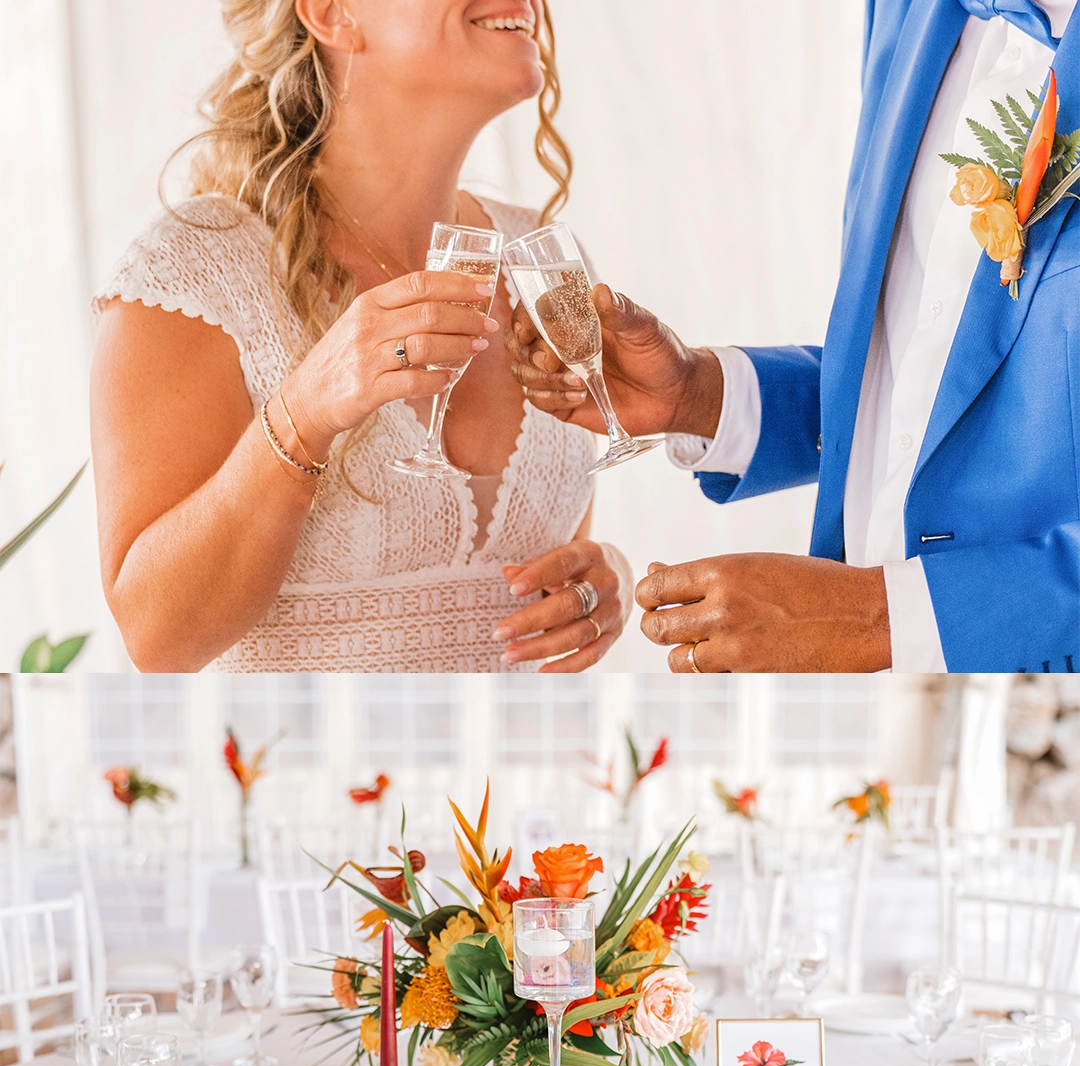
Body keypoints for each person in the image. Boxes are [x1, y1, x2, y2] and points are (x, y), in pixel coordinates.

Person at [509, 0, 1080, 674]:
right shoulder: (904, 14)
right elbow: (921, 371)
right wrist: (702, 396)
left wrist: (877, 618)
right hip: (870, 713)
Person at [91, 0, 631, 672]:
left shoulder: (540, 257)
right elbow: (158, 639)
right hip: (297, 746)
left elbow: (551, 558)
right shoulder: (190, 271)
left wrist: (603, 578)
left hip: (525, 745)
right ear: (330, 12)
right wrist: (305, 413)